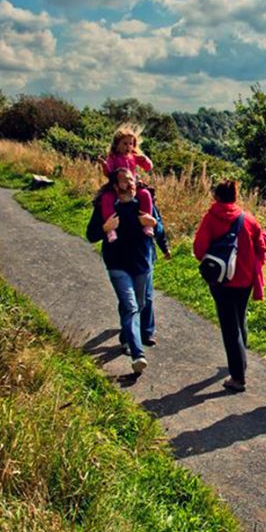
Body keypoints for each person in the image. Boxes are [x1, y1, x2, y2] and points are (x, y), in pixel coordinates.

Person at [192, 180, 266, 393]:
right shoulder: (248, 219)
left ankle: (238, 377)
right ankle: (241, 360)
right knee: (240, 317)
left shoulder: (210, 218)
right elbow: (261, 247)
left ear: (216, 197)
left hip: (221, 280)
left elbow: (199, 249)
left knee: (230, 327)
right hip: (245, 279)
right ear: (235, 197)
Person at [86, 168, 162, 374]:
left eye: (132, 181)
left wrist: (153, 223)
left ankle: (127, 338)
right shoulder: (107, 205)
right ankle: (138, 354)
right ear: (114, 186)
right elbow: (90, 235)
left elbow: (160, 229)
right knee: (130, 307)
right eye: (125, 182)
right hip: (117, 265)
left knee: (139, 304)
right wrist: (105, 227)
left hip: (141, 265)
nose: (130, 185)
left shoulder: (144, 203)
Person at [100, 125, 155, 242]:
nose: (128, 147)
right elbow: (108, 173)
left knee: (145, 194)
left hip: (133, 185)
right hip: (116, 186)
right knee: (106, 198)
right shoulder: (113, 158)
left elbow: (148, 167)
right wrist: (104, 165)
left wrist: (145, 159)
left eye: (131, 144)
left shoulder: (134, 157)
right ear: (117, 145)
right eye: (124, 144)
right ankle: (111, 229)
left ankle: (147, 223)